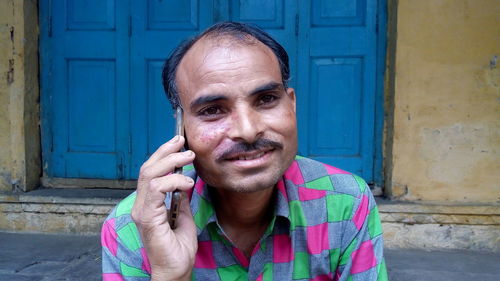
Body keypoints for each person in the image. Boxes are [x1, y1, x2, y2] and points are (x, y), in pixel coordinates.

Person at [101, 21, 388, 281]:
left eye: (266, 99)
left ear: (292, 105)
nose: (248, 130)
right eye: (212, 110)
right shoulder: (134, 227)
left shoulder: (345, 203)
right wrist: (170, 275)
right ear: (182, 129)